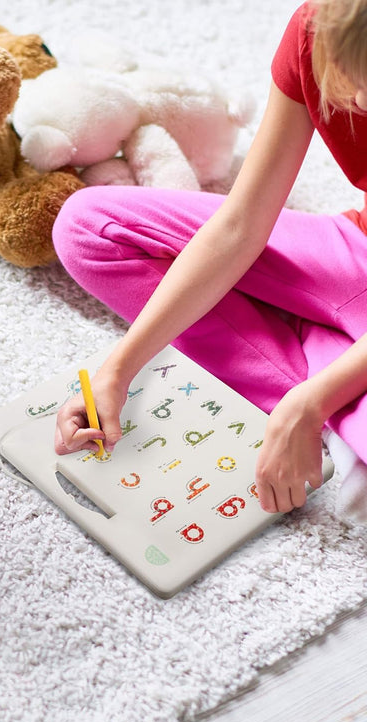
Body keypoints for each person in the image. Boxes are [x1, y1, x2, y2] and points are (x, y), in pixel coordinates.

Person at [52, 0, 367, 522]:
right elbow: (242, 224)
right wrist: (119, 368)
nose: (358, 98)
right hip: (351, 251)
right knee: (87, 227)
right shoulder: (319, 27)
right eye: (354, 73)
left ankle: (331, 388)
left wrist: (309, 405)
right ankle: (335, 380)